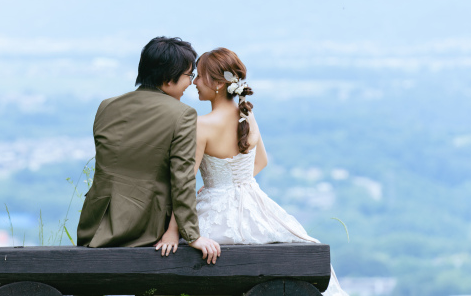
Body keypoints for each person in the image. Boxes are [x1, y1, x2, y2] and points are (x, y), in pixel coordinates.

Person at [154, 47, 349, 295]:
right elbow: (261, 162)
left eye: (201, 76)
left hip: (216, 207)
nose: (195, 82)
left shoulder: (200, 125)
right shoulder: (247, 115)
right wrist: (233, 182)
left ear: (218, 84)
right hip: (255, 204)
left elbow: (184, 183)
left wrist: (173, 231)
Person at [76, 37, 221, 264]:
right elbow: (182, 179)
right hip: (143, 228)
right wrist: (192, 236)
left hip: (95, 222)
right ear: (167, 77)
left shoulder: (107, 106)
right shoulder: (182, 114)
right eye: (188, 76)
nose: (190, 84)